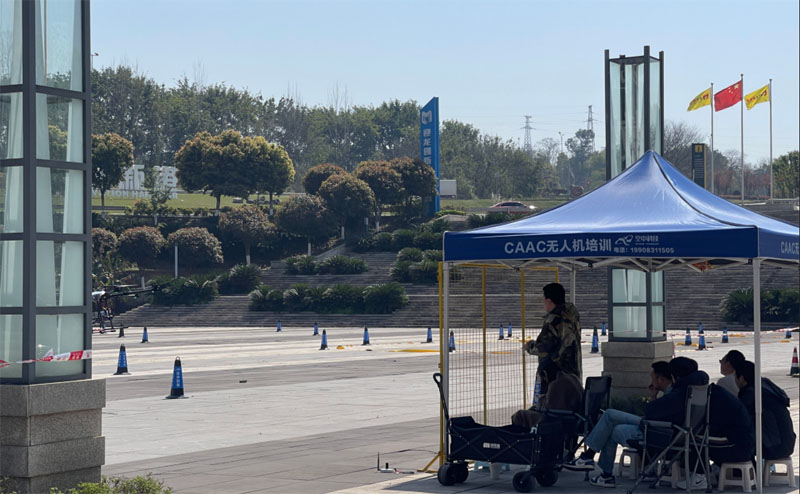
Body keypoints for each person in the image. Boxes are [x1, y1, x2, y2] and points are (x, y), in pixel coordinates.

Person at [562, 360, 679, 488]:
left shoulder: (670, 396)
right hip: (651, 425)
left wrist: (652, 402)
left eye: (653, 378)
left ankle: (593, 461)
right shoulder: (672, 392)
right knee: (611, 424)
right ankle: (599, 469)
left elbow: (652, 413)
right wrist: (653, 396)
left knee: (609, 416)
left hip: (651, 428)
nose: (651, 381)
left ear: (661, 380)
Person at [524, 283, 582, 395]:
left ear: (549, 301)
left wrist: (529, 346)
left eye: (544, 300)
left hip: (556, 375)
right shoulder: (572, 314)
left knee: (554, 402)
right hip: (574, 372)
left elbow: (543, 347)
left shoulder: (553, 320)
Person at [735, 360, 795, 460]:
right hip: (787, 443)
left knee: (740, 441)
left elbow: (740, 418)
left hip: (774, 447)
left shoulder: (751, 394)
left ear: (741, 378)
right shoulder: (766, 385)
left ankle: (745, 470)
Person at [511, 370, 583, 429]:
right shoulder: (573, 378)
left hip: (560, 421)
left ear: (545, 373)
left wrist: (541, 402)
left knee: (519, 415)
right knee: (532, 409)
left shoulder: (556, 384)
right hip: (574, 417)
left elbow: (550, 408)